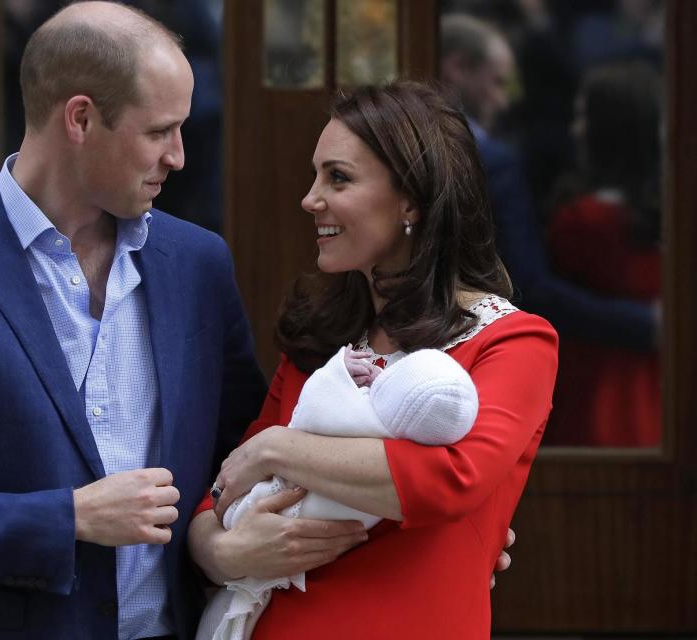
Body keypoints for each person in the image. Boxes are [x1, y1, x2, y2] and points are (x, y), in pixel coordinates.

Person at [0, 3, 270, 638]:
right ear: (81, 119)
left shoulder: (198, 264)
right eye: (158, 132)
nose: (178, 155)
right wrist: (66, 518)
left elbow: (238, 456)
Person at [188, 81, 558, 639]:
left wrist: (277, 448)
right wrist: (223, 553)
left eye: (338, 177)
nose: (310, 199)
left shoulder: (513, 342)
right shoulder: (323, 340)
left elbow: (451, 481)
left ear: (411, 198)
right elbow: (220, 493)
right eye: (316, 176)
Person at [199, 346, 479, 640]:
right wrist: (224, 552)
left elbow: (314, 407)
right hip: (281, 598)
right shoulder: (311, 340)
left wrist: (338, 372)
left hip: (277, 520)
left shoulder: (360, 417)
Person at [439, 12, 658, 352]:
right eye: (497, 83)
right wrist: (649, 323)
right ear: (458, 69)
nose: (504, 101)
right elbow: (528, 285)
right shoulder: (494, 162)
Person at [543, 62, 662, 446]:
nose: (576, 129)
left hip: (591, 390)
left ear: (606, 130)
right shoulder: (666, 217)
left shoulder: (582, 221)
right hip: (662, 391)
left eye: (582, 116)